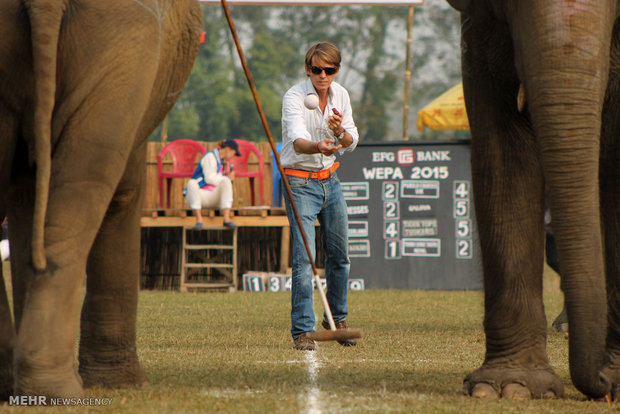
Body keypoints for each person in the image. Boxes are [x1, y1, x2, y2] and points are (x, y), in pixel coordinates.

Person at [281, 41, 359, 351]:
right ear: (307, 69)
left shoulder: (341, 95)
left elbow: (351, 141)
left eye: (329, 70)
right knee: (305, 260)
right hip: (300, 182)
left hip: (331, 180)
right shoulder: (294, 97)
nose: (322, 75)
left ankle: (336, 319)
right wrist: (318, 146)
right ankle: (302, 330)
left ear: (337, 70)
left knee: (340, 257)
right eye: (316, 69)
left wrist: (339, 133)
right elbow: (298, 141)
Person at [184, 139, 241, 229]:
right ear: (228, 149)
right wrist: (227, 178)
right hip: (199, 195)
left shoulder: (222, 162)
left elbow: (221, 181)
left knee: (226, 182)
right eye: (234, 153)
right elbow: (209, 178)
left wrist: (228, 180)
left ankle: (226, 219)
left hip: (212, 197)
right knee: (191, 183)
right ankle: (199, 220)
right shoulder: (210, 157)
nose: (233, 157)